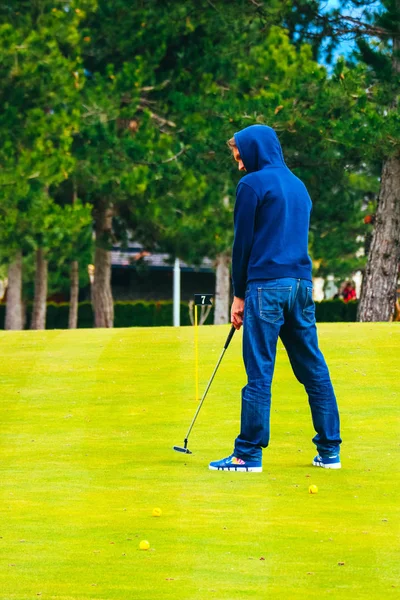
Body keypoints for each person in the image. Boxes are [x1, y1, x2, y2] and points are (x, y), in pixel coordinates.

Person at [209, 125, 342, 473]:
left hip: (266, 288)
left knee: (259, 373)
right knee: (313, 368)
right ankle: (330, 451)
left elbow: (243, 247)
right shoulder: (300, 187)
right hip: (301, 286)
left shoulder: (251, 185)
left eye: (240, 158)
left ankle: (247, 454)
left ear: (254, 150)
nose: (239, 166)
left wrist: (239, 296)